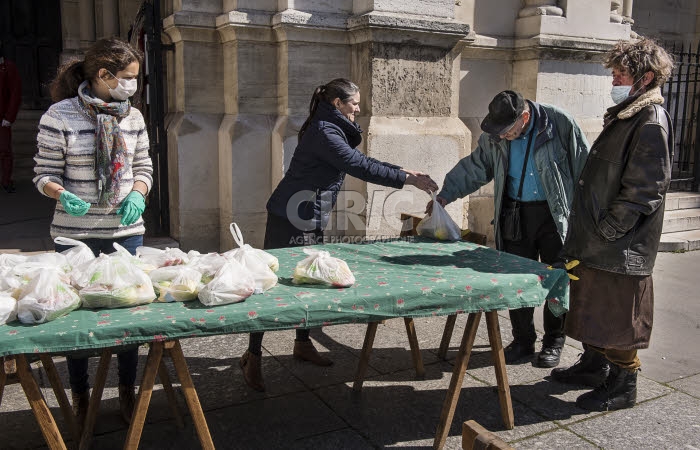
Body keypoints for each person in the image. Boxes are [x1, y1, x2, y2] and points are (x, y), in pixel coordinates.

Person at [239, 78, 438, 392]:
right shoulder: (324, 131)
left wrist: (405, 172)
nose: (358, 109)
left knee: (308, 281)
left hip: (309, 215)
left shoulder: (329, 128)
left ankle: (302, 344)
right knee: (270, 288)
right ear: (337, 104)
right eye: (354, 103)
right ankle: (252, 355)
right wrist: (406, 178)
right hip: (289, 218)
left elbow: (362, 161)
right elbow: (358, 164)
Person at [33, 37, 153, 428]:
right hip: (75, 235)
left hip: (126, 231)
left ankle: (127, 390)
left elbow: (144, 167)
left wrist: (138, 193)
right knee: (79, 318)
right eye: (128, 78)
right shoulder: (59, 116)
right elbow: (43, 174)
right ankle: (82, 394)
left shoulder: (132, 117)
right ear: (103, 75)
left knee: (128, 313)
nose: (133, 85)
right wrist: (61, 193)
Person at [553, 38, 674, 411]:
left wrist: (607, 230)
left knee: (620, 316)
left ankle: (623, 384)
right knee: (592, 307)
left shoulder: (650, 120)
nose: (614, 81)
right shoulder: (628, 113)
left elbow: (644, 190)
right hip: (600, 240)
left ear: (646, 77)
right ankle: (593, 365)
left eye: (620, 74)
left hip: (620, 245)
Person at [427, 90, 589, 368]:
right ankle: (523, 339)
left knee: (558, 280)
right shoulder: (496, 134)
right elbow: (476, 167)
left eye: (508, 131)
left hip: (555, 216)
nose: (502, 136)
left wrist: (587, 220)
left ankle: (554, 341)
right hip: (515, 214)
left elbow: (585, 167)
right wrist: (446, 194)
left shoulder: (560, 123)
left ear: (524, 117)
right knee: (516, 281)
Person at [0, 40, 22, 193]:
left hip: (2, 117)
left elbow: (15, 94)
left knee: (4, 151)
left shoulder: (8, 67)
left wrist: (9, 117)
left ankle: (6, 181)